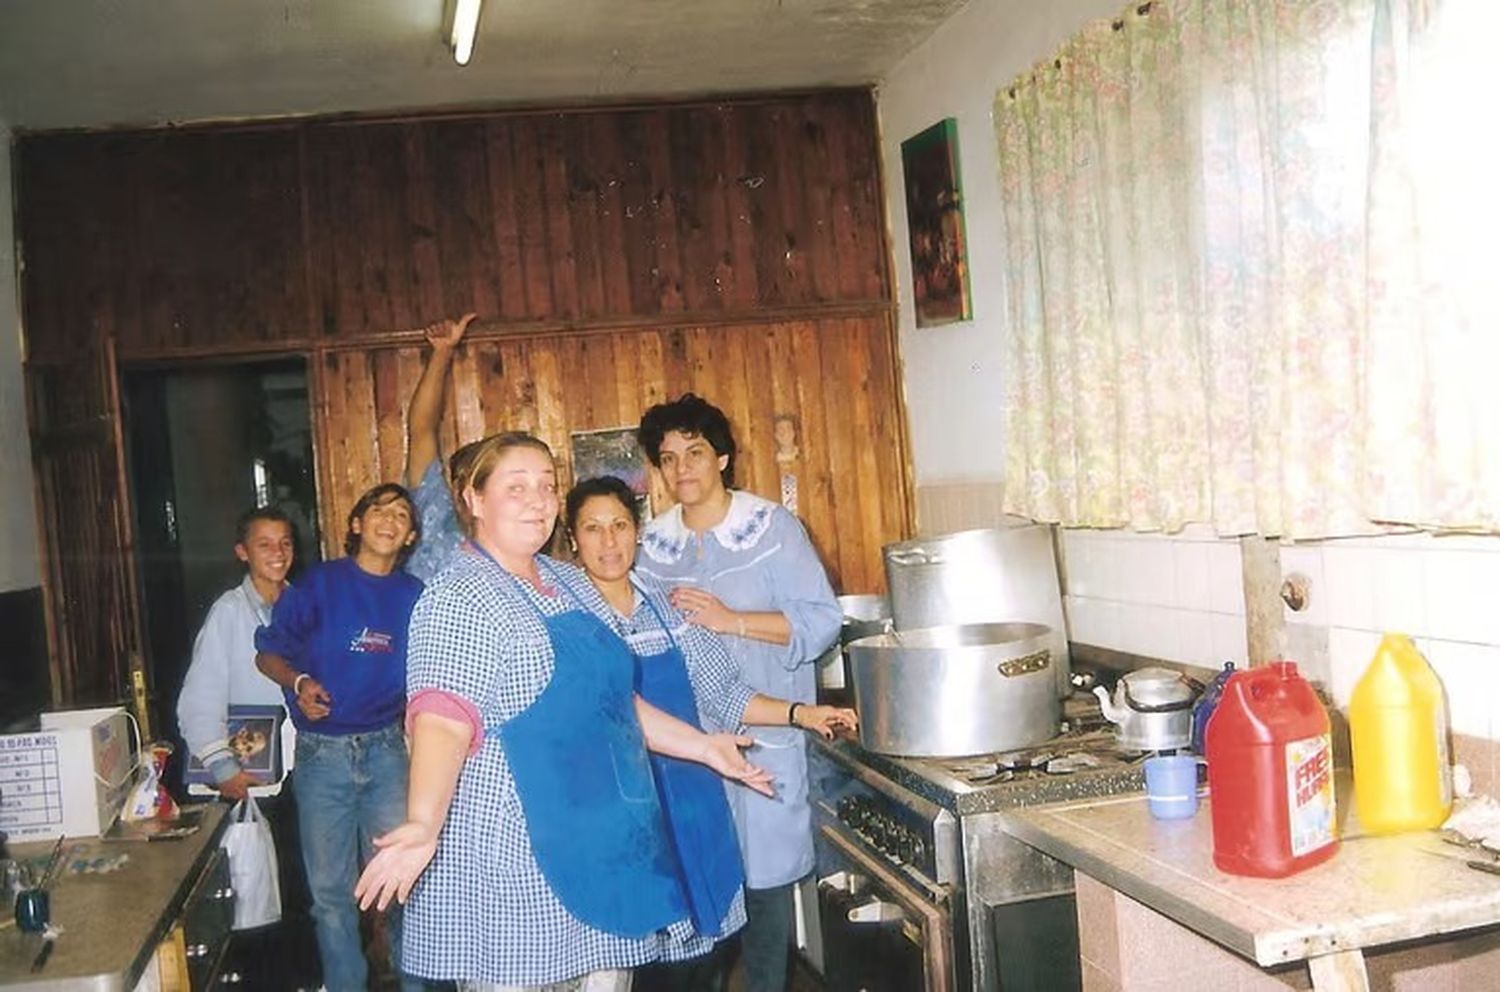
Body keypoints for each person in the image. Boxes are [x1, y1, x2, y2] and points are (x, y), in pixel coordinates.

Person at [353, 432, 775, 991]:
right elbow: (442, 715)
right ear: (473, 500)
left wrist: (704, 746)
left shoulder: (569, 581)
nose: (538, 500)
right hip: (520, 862)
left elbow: (613, 703)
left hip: (604, 849)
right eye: (516, 487)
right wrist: (424, 823)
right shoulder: (460, 596)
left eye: (547, 487)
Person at [565, 475, 857, 992]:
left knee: (697, 965)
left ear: (637, 532)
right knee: (624, 966)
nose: (608, 542)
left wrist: (801, 713)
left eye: (618, 526)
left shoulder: (668, 604)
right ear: (573, 539)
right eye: (592, 529)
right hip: (619, 814)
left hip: (692, 807)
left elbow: (725, 695)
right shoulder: (565, 616)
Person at [636, 394, 841, 992]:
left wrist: (734, 620)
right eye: (669, 458)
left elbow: (821, 619)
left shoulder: (772, 529)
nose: (682, 470)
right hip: (686, 745)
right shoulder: (651, 547)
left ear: (722, 457)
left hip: (765, 735)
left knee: (766, 889)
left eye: (695, 452)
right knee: (698, 892)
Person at [255, 483, 424, 992]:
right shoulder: (319, 585)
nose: (389, 519)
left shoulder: (415, 596)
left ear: (411, 536)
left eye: (401, 515)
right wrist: (300, 682)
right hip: (321, 758)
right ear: (356, 524)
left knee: (402, 888)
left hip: (387, 753)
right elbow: (267, 654)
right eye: (378, 510)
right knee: (330, 896)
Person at [176, 505, 318, 989]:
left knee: (302, 891)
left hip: (307, 771)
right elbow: (198, 699)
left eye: (285, 543)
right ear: (243, 552)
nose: (277, 553)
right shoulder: (229, 614)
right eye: (264, 544)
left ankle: (305, 980)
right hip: (252, 779)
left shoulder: (304, 606)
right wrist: (220, 766)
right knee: (255, 899)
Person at [404, 312, 477, 584]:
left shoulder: (520, 534)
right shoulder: (434, 511)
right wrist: (442, 353)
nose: (471, 488)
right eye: (464, 478)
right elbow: (421, 430)